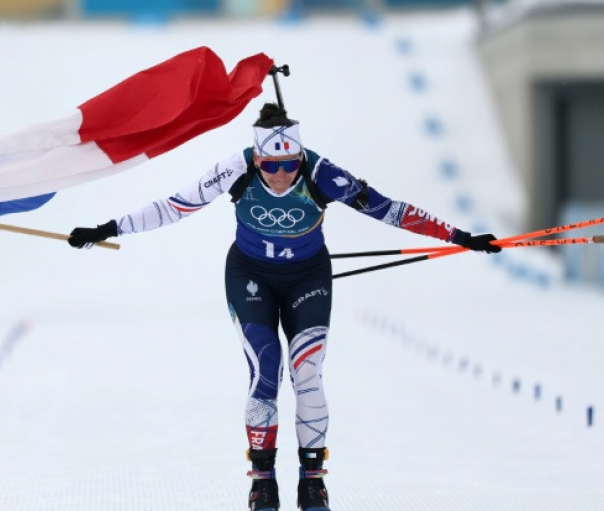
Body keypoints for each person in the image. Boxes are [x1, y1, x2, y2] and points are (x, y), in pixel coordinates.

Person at [68, 103, 501, 511]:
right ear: (256, 160)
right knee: (266, 368)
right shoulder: (234, 169)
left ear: (299, 157)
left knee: (307, 371)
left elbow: (388, 209)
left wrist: (460, 236)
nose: (280, 174)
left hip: (307, 278)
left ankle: (313, 480)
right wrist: (108, 227)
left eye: (289, 164)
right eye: (270, 165)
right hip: (250, 276)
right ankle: (262, 479)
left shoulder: (321, 173)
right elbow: (176, 206)